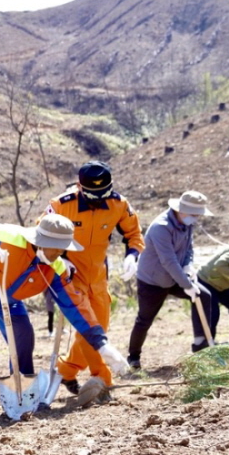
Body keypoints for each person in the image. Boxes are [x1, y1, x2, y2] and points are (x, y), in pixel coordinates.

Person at [0, 215, 129, 397]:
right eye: (56, 247)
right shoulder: (8, 235)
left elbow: (76, 307)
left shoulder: (55, 267)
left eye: (63, 248)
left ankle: (20, 397)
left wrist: (101, 344)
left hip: (8, 301)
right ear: (41, 241)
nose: (60, 252)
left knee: (23, 338)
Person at [44, 161, 145, 394]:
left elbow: (133, 233)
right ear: (79, 186)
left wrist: (133, 254)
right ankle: (103, 380)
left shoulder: (119, 204)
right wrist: (59, 259)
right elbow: (42, 235)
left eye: (104, 194)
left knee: (98, 327)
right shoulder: (60, 205)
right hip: (69, 276)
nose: (99, 199)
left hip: (99, 276)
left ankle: (66, 371)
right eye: (93, 194)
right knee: (91, 328)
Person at [126, 191, 214, 370]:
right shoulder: (161, 227)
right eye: (194, 214)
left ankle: (200, 345)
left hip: (176, 276)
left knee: (203, 296)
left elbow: (189, 248)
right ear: (182, 211)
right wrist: (187, 285)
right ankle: (133, 357)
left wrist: (189, 267)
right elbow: (168, 261)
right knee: (144, 319)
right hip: (153, 280)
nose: (196, 218)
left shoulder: (187, 223)